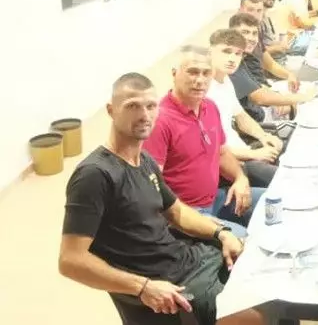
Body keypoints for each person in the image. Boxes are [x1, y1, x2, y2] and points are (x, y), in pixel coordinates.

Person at [59, 72, 263, 325]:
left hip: (188, 259)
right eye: (132, 106)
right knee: (257, 316)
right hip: (170, 284)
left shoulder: (144, 160)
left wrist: (221, 233)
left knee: (265, 280)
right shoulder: (94, 175)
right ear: (111, 111)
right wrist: (143, 287)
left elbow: (176, 211)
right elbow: (71, 260)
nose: (145, 115)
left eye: (151, 106)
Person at [143, 46, 263, 238]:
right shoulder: (159, 120)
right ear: (174, 74)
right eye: (192, 72)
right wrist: (190, 219)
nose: (200, 80)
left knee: (274, 202)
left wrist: (240, 179)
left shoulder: (210, 107)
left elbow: (222, 153)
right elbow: (151, 188)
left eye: (206, 73)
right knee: (242, 240)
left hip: (218, 199)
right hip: (185, 214)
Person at [208, 28, 281, 188]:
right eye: (226, 52)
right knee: (285, 179)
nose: (232, 59)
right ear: (210, 52)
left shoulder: (226, 80)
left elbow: (241, 116)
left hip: (244, 151)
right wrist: (254, 154)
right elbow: (213, 148)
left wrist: (263, 137)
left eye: (238, 54)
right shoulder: (204, 90)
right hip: (231, 164)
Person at [228, 13, 316, 121]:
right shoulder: (231, 62)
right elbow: (260, 98)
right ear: (232, 35)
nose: (251, 38)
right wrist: (302, 98)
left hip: (260, 109)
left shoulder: (242, 57)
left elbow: (258, 86)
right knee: (310, 105)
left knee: (311, 93)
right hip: (259, 119)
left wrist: (283, 98)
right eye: (245, 32)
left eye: (254, 33)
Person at [238, 0, 301, 87]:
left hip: (263, 84)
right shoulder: (236, 38)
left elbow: (270, 64)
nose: (255, 15)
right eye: (250, 10)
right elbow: (247, 86)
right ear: (240, 10)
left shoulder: (255, 33)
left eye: (259, 11)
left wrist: (289, 75)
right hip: (255, 89)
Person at [252, 0, 288, 66]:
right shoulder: (255, 19)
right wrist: (278, 48)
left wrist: (280, 43)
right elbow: (253, 52)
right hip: (268, 66)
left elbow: (267, 42)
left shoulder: (266, 16)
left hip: (279, 60)